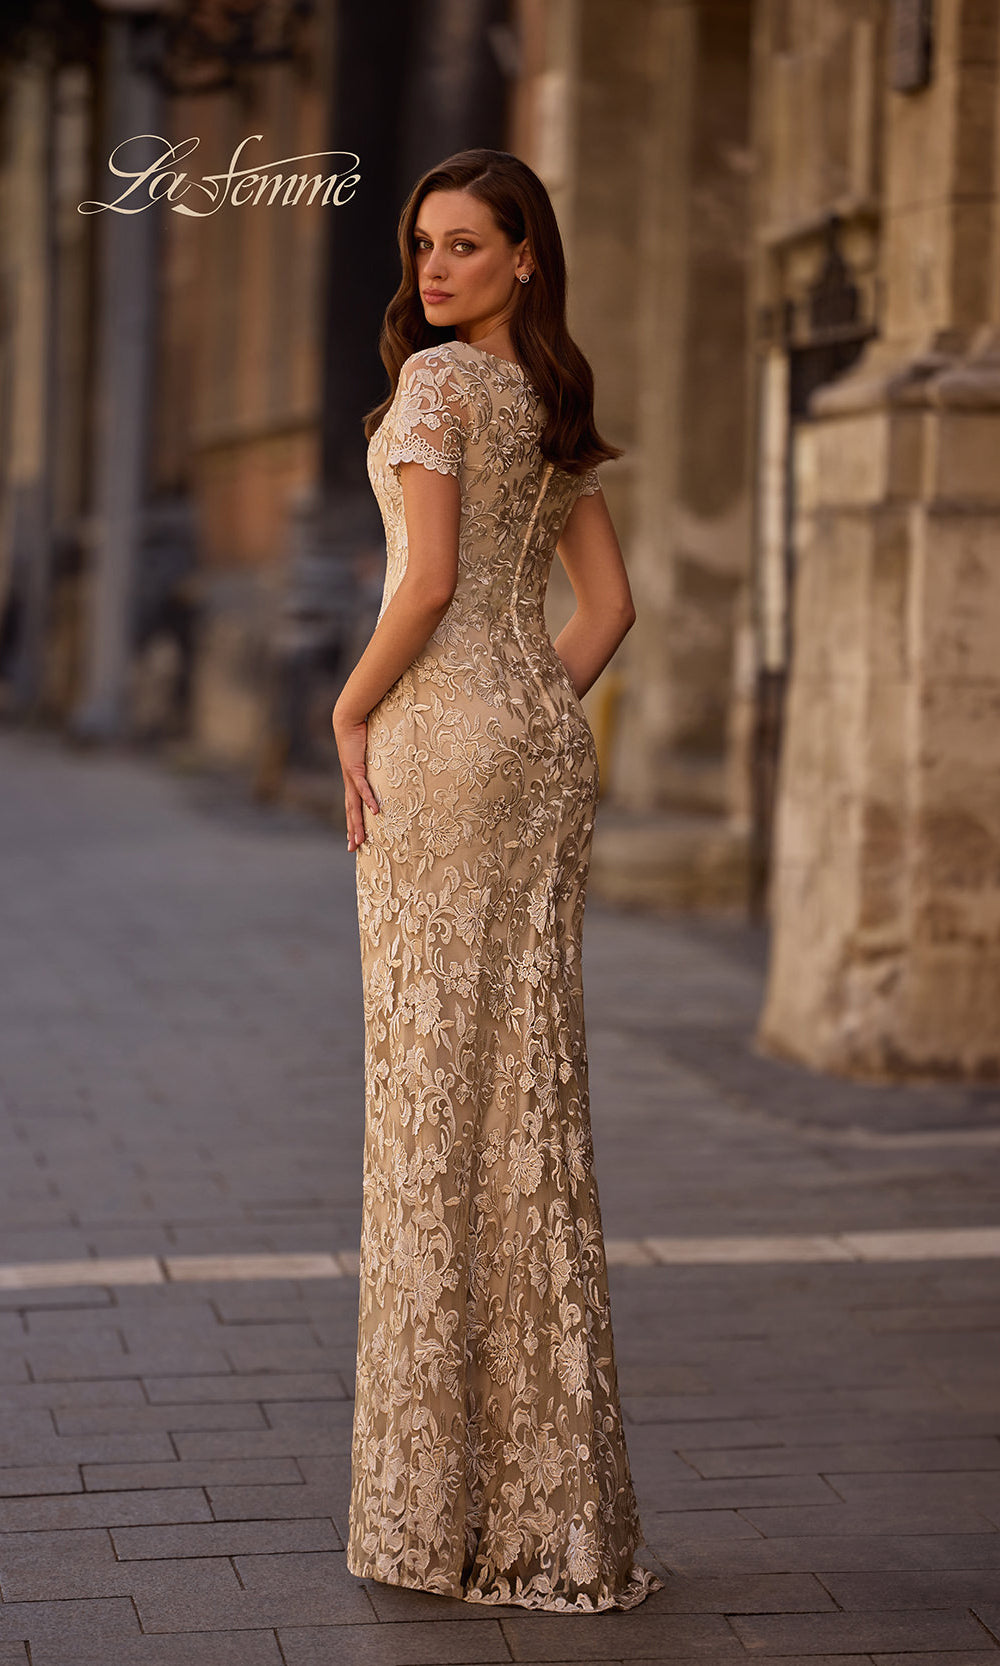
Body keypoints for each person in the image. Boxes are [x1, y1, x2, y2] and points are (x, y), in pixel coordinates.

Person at [332, 147, 664, 1613]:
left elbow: (428, 583)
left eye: (466, 245)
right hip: (535, 753)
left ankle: (436, 1513)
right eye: (424, 247)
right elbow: (612, 610)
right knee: (526, 1096)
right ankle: (555, 1514)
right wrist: (533, 702)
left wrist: (352, 712)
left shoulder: (444, 392)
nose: (435, 270)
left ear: (528, 255)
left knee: (432, 1101)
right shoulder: (551, 400)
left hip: (443, 758)